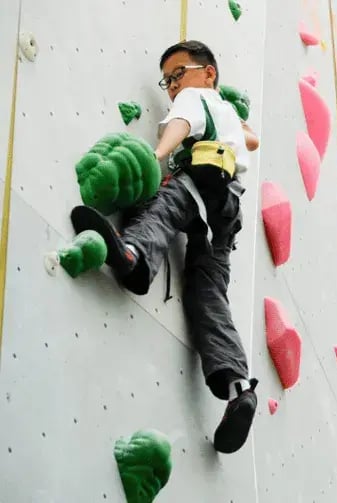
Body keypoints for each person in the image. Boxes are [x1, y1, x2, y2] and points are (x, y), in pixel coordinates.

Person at [70, 40, 260, 454]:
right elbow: (252, 140)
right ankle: (238, 388)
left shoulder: (196, 97)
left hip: (200, 180)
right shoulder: (226, 112)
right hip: (227, 210)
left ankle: (134, 256)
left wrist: (154, 155)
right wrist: (233, 116)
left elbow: (182, 126)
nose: (173, 86)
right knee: (209, 293)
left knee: (163, 208)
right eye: (168, 80)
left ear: (209, 72)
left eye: (180, 73)